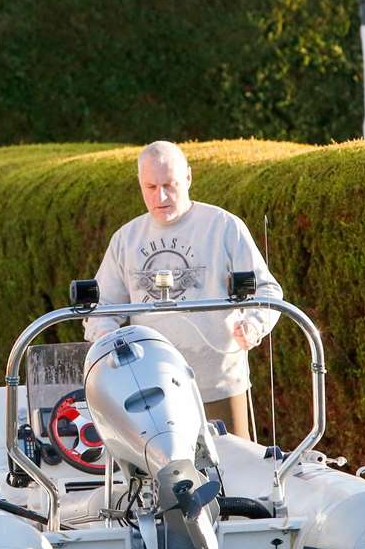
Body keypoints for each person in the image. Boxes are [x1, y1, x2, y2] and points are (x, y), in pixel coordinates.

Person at [84, 141, 281, 437]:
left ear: (188, 178)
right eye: (150, 187)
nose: (160, 196)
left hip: (218, 385)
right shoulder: (126, 239)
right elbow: (103, 307)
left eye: (170, 184)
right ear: (140, 183)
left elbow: (267, 291)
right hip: (149, 390)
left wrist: (253, 324)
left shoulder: (224, 226)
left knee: (233, 474)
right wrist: (105, 339)